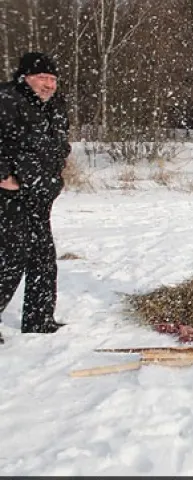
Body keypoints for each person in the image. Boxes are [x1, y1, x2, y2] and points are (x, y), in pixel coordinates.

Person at [0, 52, 71, 344]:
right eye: (43, 77)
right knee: (11, 257)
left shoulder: (54, 105)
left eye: (53, 79)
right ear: (25, 77)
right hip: (8, 195)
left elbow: (61, 143)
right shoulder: (7, 99)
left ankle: (39, 319)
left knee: (43, 257)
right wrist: (3, 175)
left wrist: (55, 171)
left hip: (39, 193)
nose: (49, 84)